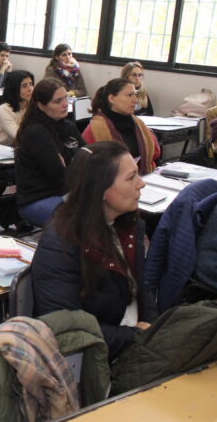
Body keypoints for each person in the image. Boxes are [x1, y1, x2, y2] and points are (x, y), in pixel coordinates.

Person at [32, 141, 152, 360]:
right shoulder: (60, 244)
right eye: (130, 177)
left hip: (133, 338)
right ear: (101, 189)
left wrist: (151, 329)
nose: (141, 184)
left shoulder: (126, 225)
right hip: (102, 358)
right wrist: (134, 335)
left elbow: (143, 290)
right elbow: (67, 328)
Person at [15, 78, 85, 226]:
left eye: (66, 98)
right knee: (85, 219)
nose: (65, 104)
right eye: (58, 101)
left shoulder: (68, 126)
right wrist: (77, 170)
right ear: (41, 105)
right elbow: (59, 176)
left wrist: (73, 168)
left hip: (67, 192)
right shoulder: (36, 132)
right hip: (39, 198)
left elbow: (88, 158)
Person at [82, 78, 161, 175]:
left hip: (143, 179)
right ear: (112, 98)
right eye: (129, 95)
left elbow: (155, 155)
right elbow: (88, 167)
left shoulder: (139, 124)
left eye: (135, 95)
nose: (135, 100)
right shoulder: (95, 129)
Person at [0, 70, 34, 146]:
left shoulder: (34, 106)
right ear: (13, 89)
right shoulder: (4, 109)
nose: (30, 89)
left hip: (23, 148)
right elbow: (19, 136)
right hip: (4, 148)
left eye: (31, 84)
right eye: (24, 86)